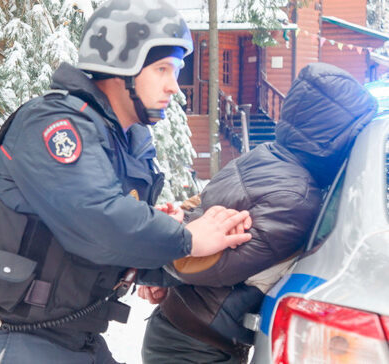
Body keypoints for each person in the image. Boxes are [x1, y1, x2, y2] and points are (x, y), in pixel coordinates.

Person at [0, 1, 253, 363]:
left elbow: (101, 242)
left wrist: (158, 257)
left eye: (176, 70)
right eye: (163, 69)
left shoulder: (123, 141)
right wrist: (186, 239)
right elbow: (98, 220)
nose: (173, 86)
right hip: (5, 340)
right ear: (121, 67)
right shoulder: (53, 125)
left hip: (68, 337)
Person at [139, 62, 378, 363]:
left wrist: (167, 252)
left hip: (182, 329)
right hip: (194, 345)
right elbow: (205, 264)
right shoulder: (297, 198)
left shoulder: (264, 157)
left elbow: (200, 212)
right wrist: (157, 266)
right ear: (339, 137)